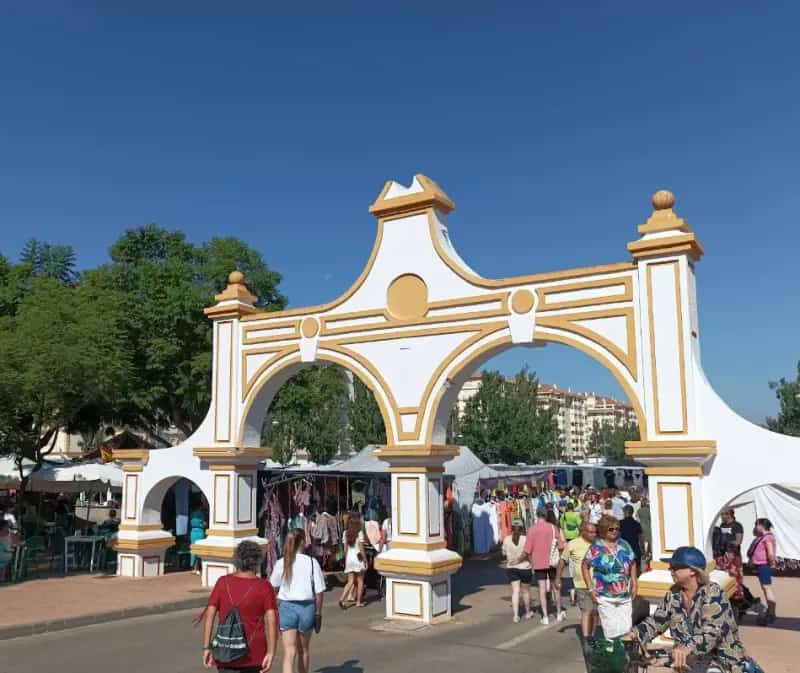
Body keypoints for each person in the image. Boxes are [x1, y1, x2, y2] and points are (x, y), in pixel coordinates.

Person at [628, 546, 760, 673]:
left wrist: (687, 648)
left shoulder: (713, 593)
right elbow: (657, 621)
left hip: (722, 662)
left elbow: (712, 633)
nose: (670, 570)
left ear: (692, 571)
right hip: (691, 661)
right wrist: (635, 634)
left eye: (675, 567)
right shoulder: (673, 594)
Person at [202, 540, 278, 673]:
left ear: (237, 559)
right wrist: (271, 652)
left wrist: (206, 647)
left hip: (226, 650)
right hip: (254, 653)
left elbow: (210, 613)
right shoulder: (264, 587)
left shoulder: (222, 582)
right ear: (257, 560)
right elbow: (272, 620)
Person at [270, 529, 325, 673]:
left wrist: (275, 602)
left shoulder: (282, 562)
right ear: (301, 542)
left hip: (286, 607)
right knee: (304, 651)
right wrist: (318, 613)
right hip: (307, 608)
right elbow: (319, 592)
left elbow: (273, 586)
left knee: (289, 652)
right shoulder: (312, 563)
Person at [582, 514, 638, 639]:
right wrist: (590, 589)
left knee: (626, 629)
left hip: (624, 595)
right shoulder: (596, 548)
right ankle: (613, 655)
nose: (615, 531)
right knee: (611, 632)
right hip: (605, 596)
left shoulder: (624, 544)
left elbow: (633, 563)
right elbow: (584, 566)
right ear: (603, 530)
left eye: (617, 529)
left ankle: (625, 655)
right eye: (611, 529)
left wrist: (634, 583)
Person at [520, 508, 565, 625]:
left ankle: (545, 616)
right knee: (556, 587)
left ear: (537, 515)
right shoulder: (553, 528)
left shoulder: (531, 529)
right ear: (545, 516)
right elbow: (561, 546)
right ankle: (559, 612)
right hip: (553, 562)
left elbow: (527, 549)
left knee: (542, 588)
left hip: (539, 562)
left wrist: (520, 560)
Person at [556, 521, 598, 639]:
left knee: (595, 613)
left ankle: (593, 634)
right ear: (583, 532)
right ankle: (586, 639)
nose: (594, 534)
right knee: (586, 611)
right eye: (591, 532)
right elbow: (562, 561)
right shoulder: (573, 544)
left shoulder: (598, 544)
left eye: (595, 532)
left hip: (598, 585)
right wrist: (558, 578)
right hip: (581, 585)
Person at [502, 519, 533, 623]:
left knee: (515, 591)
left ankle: (515, 616)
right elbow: (529, 553)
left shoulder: (506, 539)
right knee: (525, 591)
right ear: (522, 528)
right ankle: (528, 612)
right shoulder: (525, 539)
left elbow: (503, 553)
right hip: (524, 567)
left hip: (511, 568)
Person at [748, 518, 777, 626]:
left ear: (761, 525)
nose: (755, 527)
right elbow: (754, 533)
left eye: (756, 525)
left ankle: (772, 613)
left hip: (764, 566)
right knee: (765, 589)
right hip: (761, 566)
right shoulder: (763, 537)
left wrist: (771, 563)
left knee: (767, 588)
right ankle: (771, 612)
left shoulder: (767, 538)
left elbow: (770, 553)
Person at [714, 508, 745, 604]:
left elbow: (738, 542)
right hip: (723, 557)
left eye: (724, 514)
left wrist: (727, 543)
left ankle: (739, 601)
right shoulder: (722, 525)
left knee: (737, 578)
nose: (722, 516)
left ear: (730, 514)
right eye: (721, 514)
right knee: (726, 577)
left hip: (734, 556)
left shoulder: (737, 526)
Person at [339, 513, 366, 608]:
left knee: (350, 581)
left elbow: (345, 549)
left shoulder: (345, 533)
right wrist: (365, 560)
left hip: (349, 558)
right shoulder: (359, 533)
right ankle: (358, 601)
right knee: (360, 581)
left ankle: (342, 599)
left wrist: (346, 559)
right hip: (358, 558)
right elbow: (361, 548)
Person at [619, 505, 643, 573]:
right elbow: (640, 538)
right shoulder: (637, 524)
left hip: (623, 550)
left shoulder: (620, 523)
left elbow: (615, 534)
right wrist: (642, 549)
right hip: (635, 549)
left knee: (624, 572)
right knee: (636, 572)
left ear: (625, 512)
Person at [190, 501, 207, 575]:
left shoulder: (192, 514)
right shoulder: (201, 514)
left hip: (193, 532)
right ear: (200, 507)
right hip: (200, 532)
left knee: (193, 550)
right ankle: (197, 568)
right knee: (199, 550)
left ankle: (193, 568)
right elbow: (204, 524)